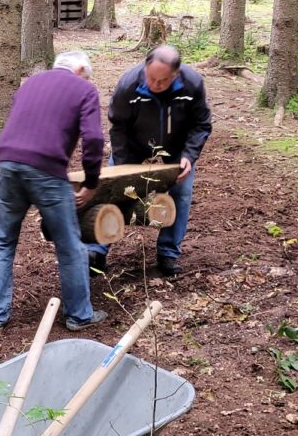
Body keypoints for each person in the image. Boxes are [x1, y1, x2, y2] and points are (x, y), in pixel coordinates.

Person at [0, 51, 108, 332]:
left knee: (3, 240)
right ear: (80, 69)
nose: (88, 81)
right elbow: (94, 139)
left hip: (7, 162)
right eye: (87, 76)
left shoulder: (31, 83)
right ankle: (79, 315)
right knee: (70, 244)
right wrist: (91, 182)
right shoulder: (84, 89)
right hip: (47, 169)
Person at [87, 45, 211, 277]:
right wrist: (122, 166)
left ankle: (168, 253)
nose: (155, 84)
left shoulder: (192, 84)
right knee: (113, 189)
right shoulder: (129, 84)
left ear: (175, 74)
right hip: (134, 142)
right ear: (145, 67)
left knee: (181, 192)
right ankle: (96, 251)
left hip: (177, 145)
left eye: (162, 81)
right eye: (151, 78)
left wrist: (189, 155)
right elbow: (118, 126)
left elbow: (201, 124)